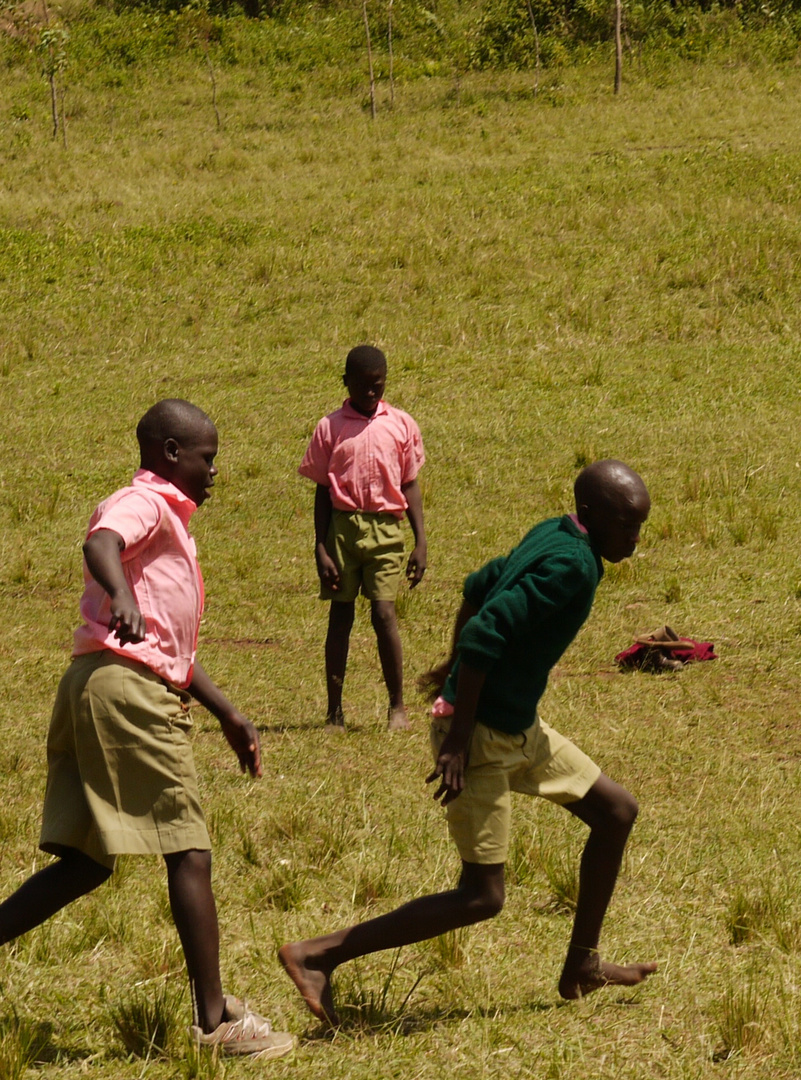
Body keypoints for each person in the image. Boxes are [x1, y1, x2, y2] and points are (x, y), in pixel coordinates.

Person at [279, 460, 658, 1024]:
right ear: (592, 514)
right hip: (480, 736)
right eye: (627, 524)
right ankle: (318, 955)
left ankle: (582, 965)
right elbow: (488, 627)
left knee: (616, 812)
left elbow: (479, 585)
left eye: (640, 525)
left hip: (516, 728)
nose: (635, 537)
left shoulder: (556, 531)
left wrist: (454, 672)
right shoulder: (573, 566)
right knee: (482, 896)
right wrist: (457, 736)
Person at [0, 400, 294, 1057]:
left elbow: (171, 649)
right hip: (127, 695)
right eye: (206, 458)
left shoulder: (173, 524)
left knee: (83, 864)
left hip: (97, 685)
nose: (215, 472)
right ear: (169, 453)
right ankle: (214, 1024)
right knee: (189, 849)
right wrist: (122, 596)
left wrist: (230, 713)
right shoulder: (144, 503)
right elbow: (101, 540)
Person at [298, 345, 426, 731]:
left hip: (387, 529)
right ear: (345, 383)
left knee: (385, 614)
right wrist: (321, 546)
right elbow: (322, 491)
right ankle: (334, 711)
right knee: (340, 616)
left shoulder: (401, 424)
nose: (371, 392)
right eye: (362, 385)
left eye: (378, 385)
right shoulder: (330, 427)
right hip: (342, 529)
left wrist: (421, 542)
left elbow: (410, 484)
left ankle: (397, 707)